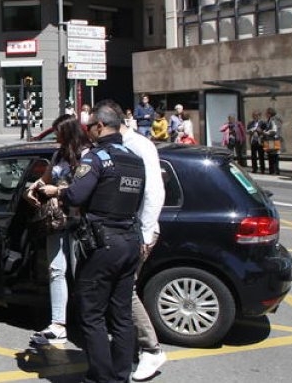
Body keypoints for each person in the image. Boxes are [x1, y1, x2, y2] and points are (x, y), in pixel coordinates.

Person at [37, 103, 146, 383]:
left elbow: (76, 196)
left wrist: (57, 192)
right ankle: (121, 375)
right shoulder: (135, 160)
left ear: (100, 126)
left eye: (90, 126)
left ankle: (101, 377)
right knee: (121, 315)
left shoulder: (96, 158)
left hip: (102, 243)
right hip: (130, 240)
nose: (88, 130)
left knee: (92, 313)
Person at [25, 115, 88, 346]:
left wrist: (58, 191)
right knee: (56, 270)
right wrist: (34, 188)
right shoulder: (58, 155)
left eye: (59, 132)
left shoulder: (86, 155)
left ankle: (88, 322)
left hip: (79, 222)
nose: (56, 136)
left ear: (69, 132)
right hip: (56, 220)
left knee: (80, 272)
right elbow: (45, 178)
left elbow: (85, 188)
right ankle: (58, 324)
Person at [118, 105, 167, 382]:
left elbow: (154, 192)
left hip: (137, 232)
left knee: (125, 290)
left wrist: (145, 234)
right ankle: (132, 345)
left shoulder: (139, 146)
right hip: (126, 231)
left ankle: (151, 349)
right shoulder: (122, 146)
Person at [263, 108, 283, 175]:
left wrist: (266, 132)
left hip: (273, 140)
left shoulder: (273, 120)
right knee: (271, 155)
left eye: (267, 113)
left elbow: (274, 130)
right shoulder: (270, 120)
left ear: (270, 114)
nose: (266, 114)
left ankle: (274, 170)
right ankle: (272, 170)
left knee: (273, 155)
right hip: (270, 140)